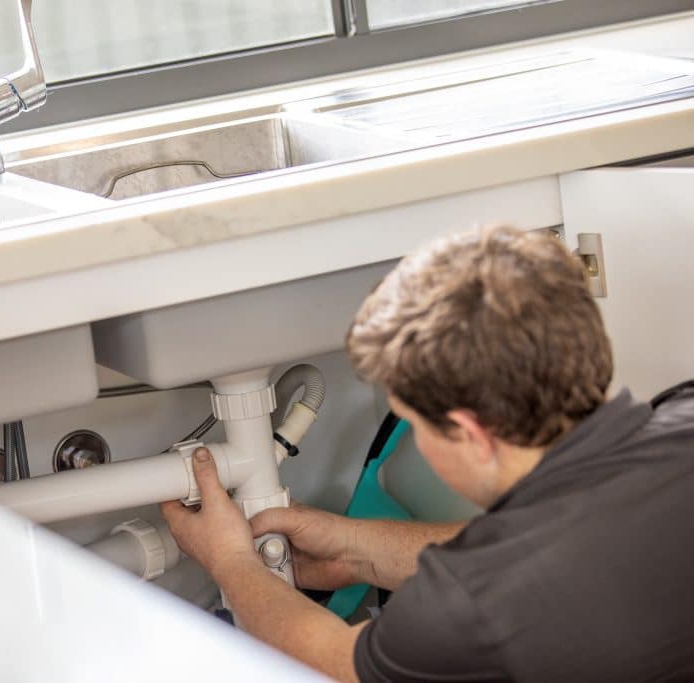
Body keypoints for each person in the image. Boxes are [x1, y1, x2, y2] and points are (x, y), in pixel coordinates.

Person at [161, 225, 694, 682]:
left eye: (415, 424)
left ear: (470, 431)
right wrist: (353, 548)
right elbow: (569, 547)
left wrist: (229, 561)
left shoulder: (473, 606)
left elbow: (337, 666)